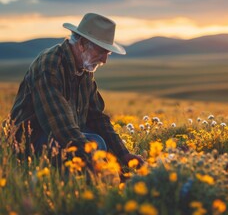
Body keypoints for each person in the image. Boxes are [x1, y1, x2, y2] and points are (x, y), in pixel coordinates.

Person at [8, 13, 144, 169]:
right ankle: (77, 185)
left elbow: (97, 117)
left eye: (108, 53)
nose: (104, 60)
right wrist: (95, 159)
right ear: (82, 44)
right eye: (101, 51)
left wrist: (124, 154)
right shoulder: (50, 64)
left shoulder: (85, 69)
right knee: (96, 144)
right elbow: (59, 125)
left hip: (63, 134)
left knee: (102, 143)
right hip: (31, 141)